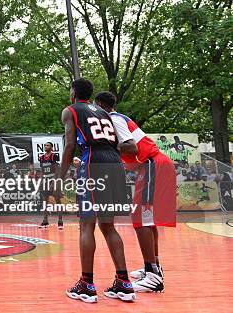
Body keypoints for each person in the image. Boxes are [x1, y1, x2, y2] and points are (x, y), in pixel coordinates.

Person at [59, 78, 135, 303]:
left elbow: (70, 144)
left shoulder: (70, 110)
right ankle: (124, 282)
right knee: (108, 225)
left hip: (93, 161)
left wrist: (58, 178)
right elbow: (119, 143)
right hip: (114, 162)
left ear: (73, 92)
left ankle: (86, 284)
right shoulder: (104, 112)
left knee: (86, 224)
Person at [95, 91, 176, 293]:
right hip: (151, 165)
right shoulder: (117, 119)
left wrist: (107, 150)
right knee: (146, 219)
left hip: (151, 165)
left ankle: (153, 276)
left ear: (100, 106)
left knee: (140, 218)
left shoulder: (113, 119)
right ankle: (153, 268)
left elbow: (130, 147)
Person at [38, 142, 63, 229]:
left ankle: (60, 221)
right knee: (45, 201)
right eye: (44, 145)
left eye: (47, 145)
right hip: (45, 179)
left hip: (53, 178)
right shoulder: (41, 158)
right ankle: (45, 220)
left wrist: (54, 181)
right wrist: (40, 181)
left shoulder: (53, 156)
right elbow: (42, 170)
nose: (45, 146)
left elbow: (57, 169)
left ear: (51, 147)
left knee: (57, 200)